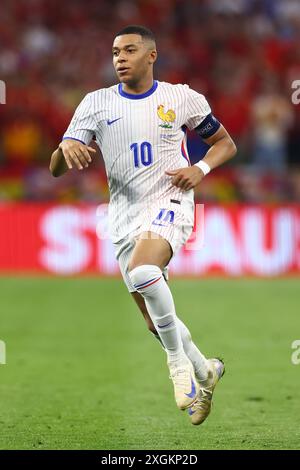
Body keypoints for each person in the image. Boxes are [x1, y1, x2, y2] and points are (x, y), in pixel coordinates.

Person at [49, 25, 237, 425]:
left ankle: (178, 368)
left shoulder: (180, 97)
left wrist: (200, 168)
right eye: (116, 51)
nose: (120, 57)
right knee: (153, 319)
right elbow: (55, 169)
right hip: (122, 216)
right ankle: (206, 371)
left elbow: (226, 143)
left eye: (130, 50)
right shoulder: (95, 104)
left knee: (145, 270)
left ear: (151, 56)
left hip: (170, 200)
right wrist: (64, 147)